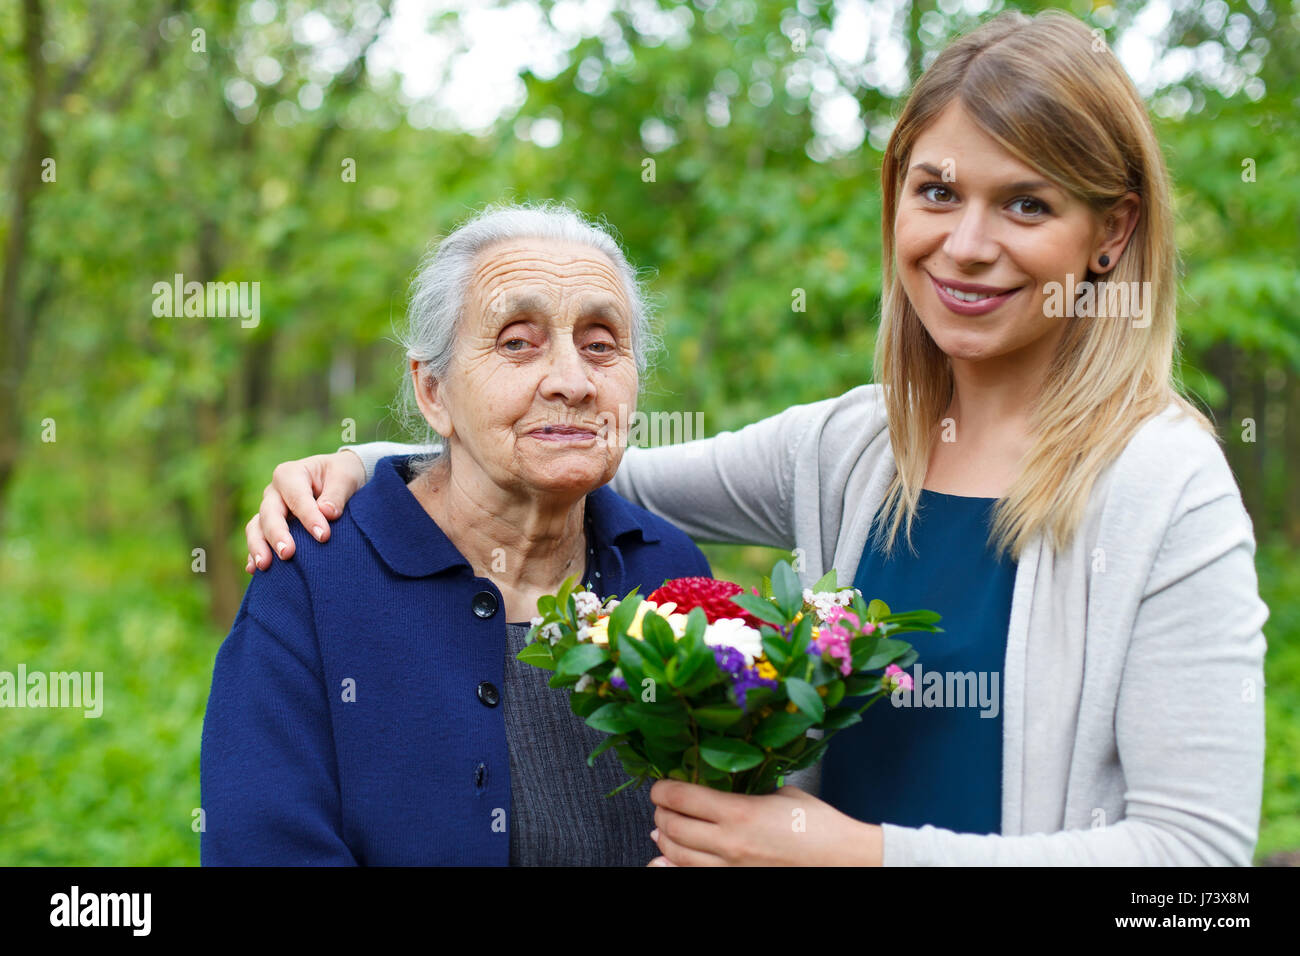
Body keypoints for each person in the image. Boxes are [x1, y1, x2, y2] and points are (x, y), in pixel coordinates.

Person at [243, 10, 1268, 865]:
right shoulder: (854, 449)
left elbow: (1197, 864)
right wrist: (373, 465)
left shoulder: (1161, 482)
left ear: (1112, 234)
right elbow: (580, 453)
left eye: (1027, 204)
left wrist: (859, 854)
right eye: (937, 191)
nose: (965, 243)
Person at [201, 203, 713, 865]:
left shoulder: (671, 573)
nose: (572, 382)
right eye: (517, 342)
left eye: (600, 344)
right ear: (433, 392)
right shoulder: (314, 576)